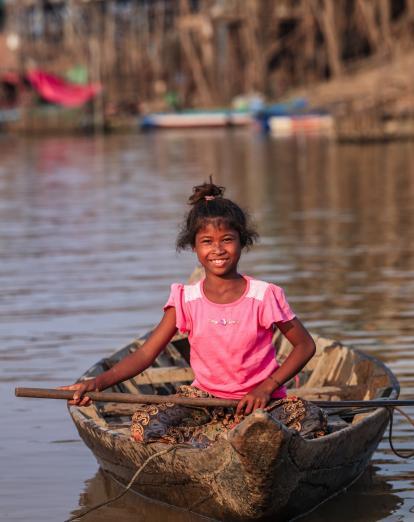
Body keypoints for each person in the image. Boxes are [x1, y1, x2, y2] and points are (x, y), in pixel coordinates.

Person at [61, 180, 327, 447]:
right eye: (207, 242)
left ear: (242, 242)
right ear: (194, 248)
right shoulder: (185, 299)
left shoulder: (264, 295)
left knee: (311, 420)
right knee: (145, 425)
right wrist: (97, 383)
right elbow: (145, 354)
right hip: (202, 401)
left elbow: (304, 346)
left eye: (227, 240)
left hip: (263, 402)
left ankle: (221, 438)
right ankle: (215, 440)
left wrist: (267, 387)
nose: (218, 249)